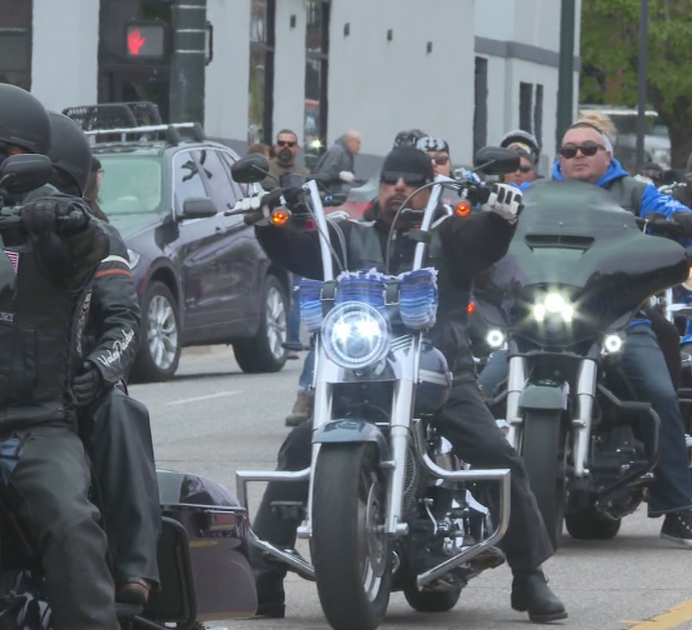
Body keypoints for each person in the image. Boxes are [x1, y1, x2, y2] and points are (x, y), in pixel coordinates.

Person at [238, 146, 566, 623]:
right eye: (390, 180)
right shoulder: (348, 233)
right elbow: (302, 253)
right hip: (360, 369)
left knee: (495, 452)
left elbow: (482, 243)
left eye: (410, 181)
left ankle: (529, 575)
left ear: (424, 185)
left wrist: (499, 215)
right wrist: (270, 223)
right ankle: (266, 574)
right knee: (296, 449)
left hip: (440, 364)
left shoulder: (446, 232)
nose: (398, 189)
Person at [0, 82, 116, 630]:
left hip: (27, 424)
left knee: (67, 516)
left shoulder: (51, 224)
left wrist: (66, 220)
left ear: (11, 158)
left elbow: (91, 245)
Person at [551, 113, 692, 542]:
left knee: (660, 394)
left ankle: (677, 510)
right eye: (569, 150)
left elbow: (676, 212)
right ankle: (470, 508)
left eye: (587, 149)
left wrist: (680, 220)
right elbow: (493, 216)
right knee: (484, 387)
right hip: (545, 317)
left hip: (621, 316)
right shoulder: (537, 193)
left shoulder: (637, 191)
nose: (577, 157)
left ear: (607, 154)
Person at [45, 110, 161, 607]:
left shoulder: (94, 235)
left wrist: (97, 370)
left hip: (63, 389)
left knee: (116, 411)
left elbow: (123, 321)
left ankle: (135, 566)